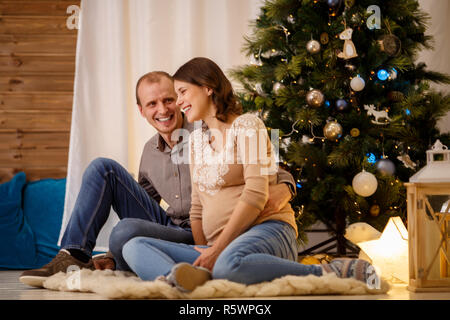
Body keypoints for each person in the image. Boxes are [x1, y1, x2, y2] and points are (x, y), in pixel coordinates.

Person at [120, 57, 377, 292]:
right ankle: (186, 280)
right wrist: (205, 251)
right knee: (134, 246)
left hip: (266, 231)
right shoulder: (196, 140)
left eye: (182, 92)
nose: (178, 102)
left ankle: (323, 272)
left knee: (226, 266)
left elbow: (255, 194)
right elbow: (197, 207)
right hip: (218, 246)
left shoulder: (248, 125)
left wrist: (216, 251)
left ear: (208, 87)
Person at [19, 71, 296, 288]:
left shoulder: (208, 129)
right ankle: (74, 255)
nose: (162, 109)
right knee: (104, 171)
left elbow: (270, 169)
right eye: (152, 103)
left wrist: (283, 190)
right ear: (141, 111)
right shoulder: (149, 151)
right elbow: (142, 204)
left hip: (206, 231)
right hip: (171, 228)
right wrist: (117, 251)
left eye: (168, 99)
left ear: (180, 98)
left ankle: (146, 261)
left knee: (124, 233)